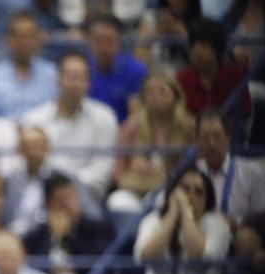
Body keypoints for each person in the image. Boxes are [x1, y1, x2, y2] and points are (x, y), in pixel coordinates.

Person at [133, 167, 232, 274]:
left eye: (198, 192)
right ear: (172, 192)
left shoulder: (218, 225)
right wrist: (172, 215)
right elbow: (145, 256)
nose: (190, 196)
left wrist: (185, 213)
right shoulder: (153, 221)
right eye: (185, 189)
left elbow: (199, 257)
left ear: (207, 200)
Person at [22, 51, 119, 199]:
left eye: (81, 79)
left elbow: (100, 173)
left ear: (88, 83)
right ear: (58, 80)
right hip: (43, 194)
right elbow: (30, 169)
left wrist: (66, 187)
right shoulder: (33, 119)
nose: (75, 85)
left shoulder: (105, 118)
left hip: (86, 196)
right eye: (71, 78)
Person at [108, 71, 195, 212]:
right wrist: (134, 169)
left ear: (176, 95)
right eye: (150, 92)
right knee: (117, 202)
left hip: (172, 189)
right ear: (142, 98)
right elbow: (117, 170)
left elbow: (194, 169)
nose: (156, 97)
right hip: (135, 187)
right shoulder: (132, 125)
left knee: (162, 201)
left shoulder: (188, 127)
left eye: (162, 91)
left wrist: (166, 173)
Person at [195, 108, 265, 230]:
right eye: (205, 137)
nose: (211, 144)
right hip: (201, 234)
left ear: (228, 138)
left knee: (246, 239)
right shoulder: (192, 172)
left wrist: (236, 222)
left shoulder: (252, 172)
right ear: (198, 141)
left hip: (239, 234)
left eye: (217, 136)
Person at [0, 12, 59, 121]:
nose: (24, 42)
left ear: (38, 40)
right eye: (19, 36)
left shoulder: (54, 75)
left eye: (29, 36)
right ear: (8, 40)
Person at [176, 18, 252, 120]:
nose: (196, 52)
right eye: (192, 47)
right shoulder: (182, 78)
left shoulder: (235, 76)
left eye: (204, 46)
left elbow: (245, 114)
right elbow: (178, 116)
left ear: (217, 48)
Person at [134, 0, 204, 74]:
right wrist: (157, 34)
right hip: (155, 79)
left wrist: (178, 31)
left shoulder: (200, 24)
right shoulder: (150, 19)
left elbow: (202, 61)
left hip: (185, 79)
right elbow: (138, 60)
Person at [86, 13, 147, 123]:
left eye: (109, 41)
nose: (104, 48)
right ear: (89, 41)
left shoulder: (136, 71)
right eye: (98, 41)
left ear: (118, 41)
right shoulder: (82, 70)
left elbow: (136, 120)